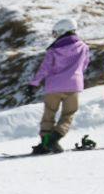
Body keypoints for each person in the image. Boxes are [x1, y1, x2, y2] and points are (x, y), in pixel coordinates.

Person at [29, 17, 91, 155]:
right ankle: (54, 139)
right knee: (68, 115)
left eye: (56, 33)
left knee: (49, 114)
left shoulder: (53, 50)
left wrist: (34, 83)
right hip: (73, 86)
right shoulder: (84, 47)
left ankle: (45, 144)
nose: (55, 36)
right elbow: (84, 65)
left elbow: (44, 68)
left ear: (62, 31)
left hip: (54, 87)